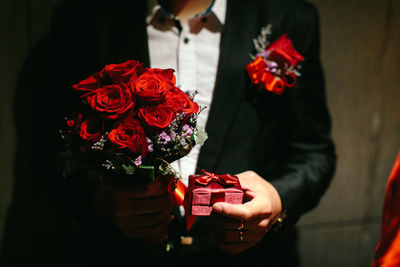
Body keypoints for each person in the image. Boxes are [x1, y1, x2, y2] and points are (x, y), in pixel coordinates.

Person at [8, 0, 336, 266]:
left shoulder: (288, 15)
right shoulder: (84, 16)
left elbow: (314, 150)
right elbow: (47, 144)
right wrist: (99, 198)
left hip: (251, 256)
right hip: (121, 255)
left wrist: (277, 199)